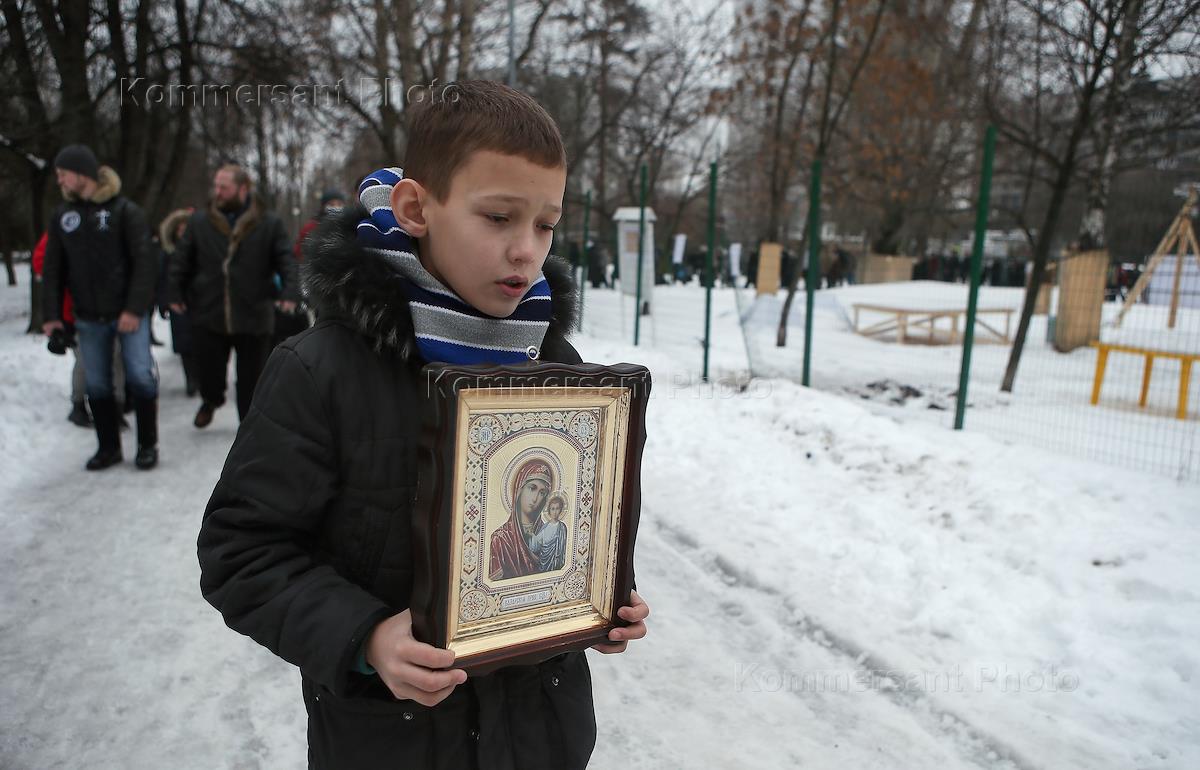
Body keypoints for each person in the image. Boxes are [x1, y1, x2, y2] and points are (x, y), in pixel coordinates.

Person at [196, 81, 648, 768]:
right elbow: (242, 552)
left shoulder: (551, 361)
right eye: (499, 217)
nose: (526, 251)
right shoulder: (322, 370)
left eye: (546, 224)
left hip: (539, 737)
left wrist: (594, 600)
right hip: (394, 739)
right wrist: (365, 637)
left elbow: (570, 522)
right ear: (416, 209)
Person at [41, 144, 159, 470]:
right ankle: (108, 448)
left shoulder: (125, 211)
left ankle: (147, 445)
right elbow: (53, 269)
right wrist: (51, 316)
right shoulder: (63, 216)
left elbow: (144, 264)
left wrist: (134, 309)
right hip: (88, 317)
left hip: (129, 315)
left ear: (82, 173)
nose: (60, 180)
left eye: (64, 174)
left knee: (140, 376)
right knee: (96, 384)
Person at [167, 164, 299, 428]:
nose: (217, 192)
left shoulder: (268, 223)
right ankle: (211, 399)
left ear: (243, 189)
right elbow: (182, 260)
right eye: (216, 186)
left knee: (251, 378)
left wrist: (290, 291)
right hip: (209, 310)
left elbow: (286, 260)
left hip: (253, 311)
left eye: (224, 187)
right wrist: (174, 291)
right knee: (209, 371)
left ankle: (247, 427)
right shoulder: (200, 222)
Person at [489, 457, 554, 580]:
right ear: (519, 489)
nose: (535, 498)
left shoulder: (548, 535)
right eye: (532, 488)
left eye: (542, 493)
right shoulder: (500, 540)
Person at [157, 208, 198, 396]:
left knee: (201, 341)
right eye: (179, 229)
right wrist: (164, 302)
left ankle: (200, 377)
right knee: (185, 344)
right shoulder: (168, 254)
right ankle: (190, 378)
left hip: (199, 302)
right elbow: (162, 279)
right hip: (178, 302)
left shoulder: (200, 251)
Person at [531, 491, 569, 573]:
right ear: (549, 510)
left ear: (560, 510)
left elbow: (564, 547)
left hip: (557, 561)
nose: (555, 512)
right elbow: (536, 545)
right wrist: (531, 535)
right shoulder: (545, 527)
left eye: (557, 508)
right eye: (552, 509)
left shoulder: (562, 527)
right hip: (544, 561)